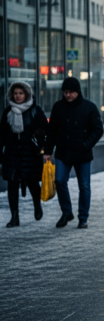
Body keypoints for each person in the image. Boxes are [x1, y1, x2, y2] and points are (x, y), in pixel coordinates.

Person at [44, 77, 104, 229]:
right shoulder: (58, 107)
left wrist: (86, 145)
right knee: (59, 181)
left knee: (84, 187)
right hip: (63, 152)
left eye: (71, 92)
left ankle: (83, 217)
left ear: (77, 92)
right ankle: (66, 212)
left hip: (82, 154)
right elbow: (52, 131)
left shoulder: (89, 107)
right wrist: (48, 151)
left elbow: (98, 130)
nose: (68, 95)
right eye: (65, 92)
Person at [0, 82, 48, 227]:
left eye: (21, 93)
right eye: (15, 93)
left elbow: (45, 129)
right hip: (12, 153)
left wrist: (40, 139)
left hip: (31, 153)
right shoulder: (8, 111)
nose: (18, 96)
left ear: (26, 94)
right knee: (12, 184)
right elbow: (2, 134)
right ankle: (15, 217)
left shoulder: (35, 110)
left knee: (33, 183)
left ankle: (37, 204)